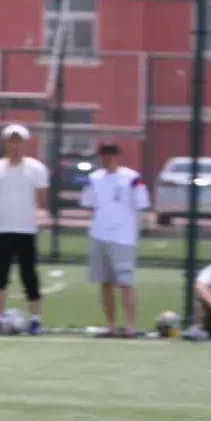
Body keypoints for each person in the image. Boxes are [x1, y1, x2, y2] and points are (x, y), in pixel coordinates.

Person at [0, 124, 49, 335]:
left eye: (19, 141)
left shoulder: (36, 168)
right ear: (6, 143)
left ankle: (35, 319)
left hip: (26, 230)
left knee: (29, 276)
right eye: (11, 141)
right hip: (2, 229)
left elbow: (41, 197)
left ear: (25, 143)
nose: (15, 145)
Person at [81, 142, 151, 338]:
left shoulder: (132, 178)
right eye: (104, 154)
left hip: (123, 238)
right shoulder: (94, 179)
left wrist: (139, 228)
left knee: (125, 283)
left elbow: (142, 204)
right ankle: (111, 326)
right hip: (99, 235)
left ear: (118, 156)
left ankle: (130, 326)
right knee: (105, 282)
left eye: (112, 154)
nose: (108, 158)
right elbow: (89, 203)